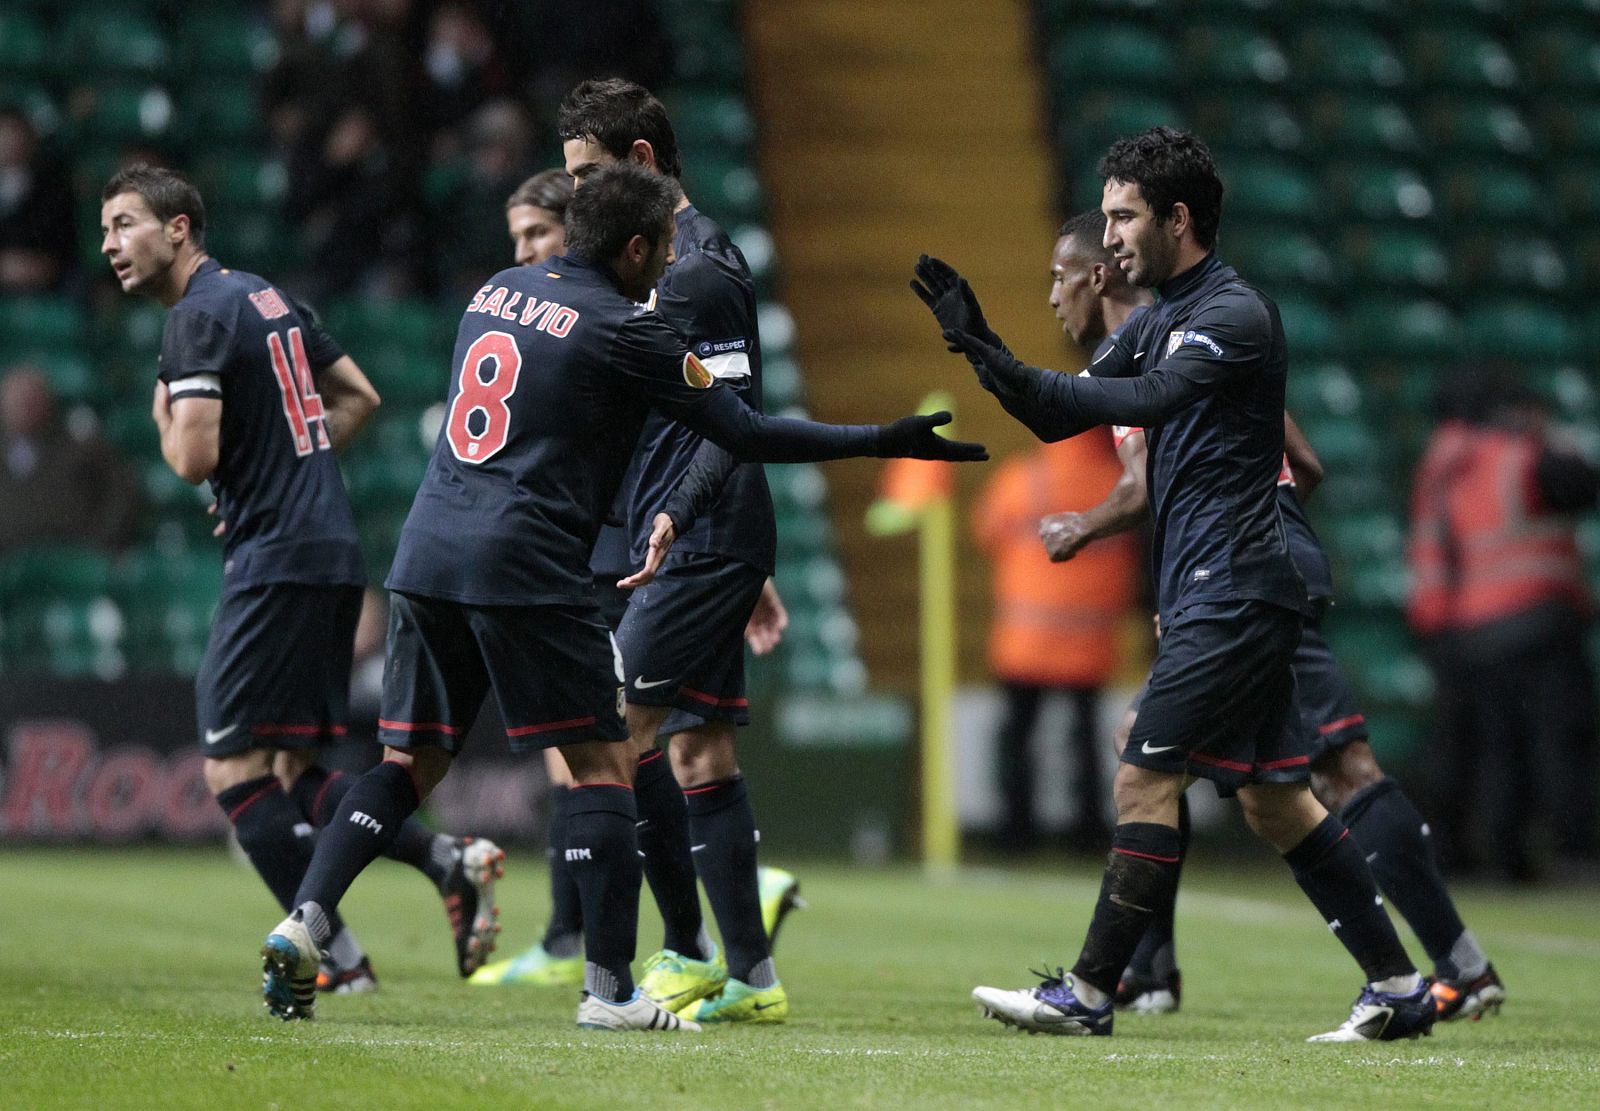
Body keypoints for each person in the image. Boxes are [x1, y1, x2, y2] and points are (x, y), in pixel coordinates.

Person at [257, 159, 985, 1031]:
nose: (672, 260)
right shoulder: (624, 330)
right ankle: (609, 989)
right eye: (665, 247)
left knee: (408, 764)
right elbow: (744, 429)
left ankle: (306, 919)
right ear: (636, 247)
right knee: (606, 759)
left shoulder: (496, 290)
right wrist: (885, 436)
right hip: (522, 559)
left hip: (426, 548)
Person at [917, 127, 1434, 1042]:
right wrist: (977, 342)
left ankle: (1090, 989)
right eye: (1108, 217)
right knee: (1278, 799)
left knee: (1142, 775)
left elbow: (1138, 404)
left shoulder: (1233, 316)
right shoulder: (1160, 319)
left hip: (1233, 581)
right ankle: (1397, 985)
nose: (1109, 237)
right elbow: (1054, 415)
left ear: (1178, 218)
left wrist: (1007, 359)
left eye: (1124, 217)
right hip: (1222, 583)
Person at [1047, 211, 1504, 1022]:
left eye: (1060, 275)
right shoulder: (1165, 354)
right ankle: (1154, 971)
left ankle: (1452, 967)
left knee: (1324, 769)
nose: (1052, 297)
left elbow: (1161, 480)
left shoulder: (1170, 356)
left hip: (1242, 586)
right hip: (1232, 581)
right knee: (1230, 775)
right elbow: (1307, 462)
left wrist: (1115, 527)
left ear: (1101, 275)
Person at [100, 163, 505, 1000]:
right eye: (105, 229)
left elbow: (192, 457)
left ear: (180, 229)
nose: (110, 244)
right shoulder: (266, 297)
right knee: (289, 772)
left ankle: (341, 957)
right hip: (329, 552)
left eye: (126, 223)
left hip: (275, 560)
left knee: (231, 770)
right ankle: (445, 856)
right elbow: (358, 394)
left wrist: (164, 412)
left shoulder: (193, 320)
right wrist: (281, 467)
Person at [474, 167, 806, 992]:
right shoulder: (611, 301)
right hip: (668, 543)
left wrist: (722, 551)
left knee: (611, 740)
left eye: (540, 229)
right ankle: (740, 966)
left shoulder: (692, 272)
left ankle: (659, 951)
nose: (527, 250)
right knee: (690, 749)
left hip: (665, 547)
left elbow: (731, 420)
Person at [1408, 375, 1599, 882]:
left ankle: (1501, 858)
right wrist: (1543, 434)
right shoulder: (1519, 452)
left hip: (1465, 628)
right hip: (1536, 618)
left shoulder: (1440, 461)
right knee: (1561, 742)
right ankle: (1573, 854)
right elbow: (1580, 485)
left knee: (1496, 749)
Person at [971, 409, 1136, 851]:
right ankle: (1087, 832)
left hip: (1024, 640)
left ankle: (1014, 831)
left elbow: (985, 531)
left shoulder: (1021, 477)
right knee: (1084, 742)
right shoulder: (1118, 481)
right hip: (1089, 641)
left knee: (1018, 739)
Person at [0, 364, 142, 555]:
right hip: (10, 562)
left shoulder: (81, 445)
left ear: (47, 401)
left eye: (31, 400)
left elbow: (122, 491)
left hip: (75, 558)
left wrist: (101, 544)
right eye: (17, 401)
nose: (24, 408)